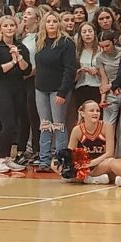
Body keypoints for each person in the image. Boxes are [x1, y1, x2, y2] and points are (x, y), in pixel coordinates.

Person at [33, 11, 76, 172]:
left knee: (58, 125)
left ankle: (60, 161)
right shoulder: (40, 40)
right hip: (41, 88)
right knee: (44, 124)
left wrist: (62, 92)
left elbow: (70, 69)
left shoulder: (66, 42)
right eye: (48, 21)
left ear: (59, 23)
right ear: (44, 23)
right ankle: (44, 160)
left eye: (54, 21)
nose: (51, 24)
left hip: (58, 89)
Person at [0, 13, 31, 172]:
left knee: (14, 124)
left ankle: (8, 157)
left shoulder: (21, 46)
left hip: (18, 88)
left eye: (12, 26)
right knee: (7, 123)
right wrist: (13, 62)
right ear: (0, 29)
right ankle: (0, 159)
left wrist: (19, 57)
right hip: (1, 88)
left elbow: (27, 70)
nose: (9, 28)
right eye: (6, 26)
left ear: (16, 28)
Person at [59, 98, 115, 185]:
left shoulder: (107, 127)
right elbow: (70, 152)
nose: (95, 113)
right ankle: (89, 178)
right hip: (84, 166)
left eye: (97, 111)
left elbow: (109, 153)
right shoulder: (77, 130)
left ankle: (81, 178)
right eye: (91, 111)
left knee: (111, 162)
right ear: (82, 113)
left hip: (100, 164)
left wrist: (90, 163)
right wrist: (67, 164)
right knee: (54, 163)